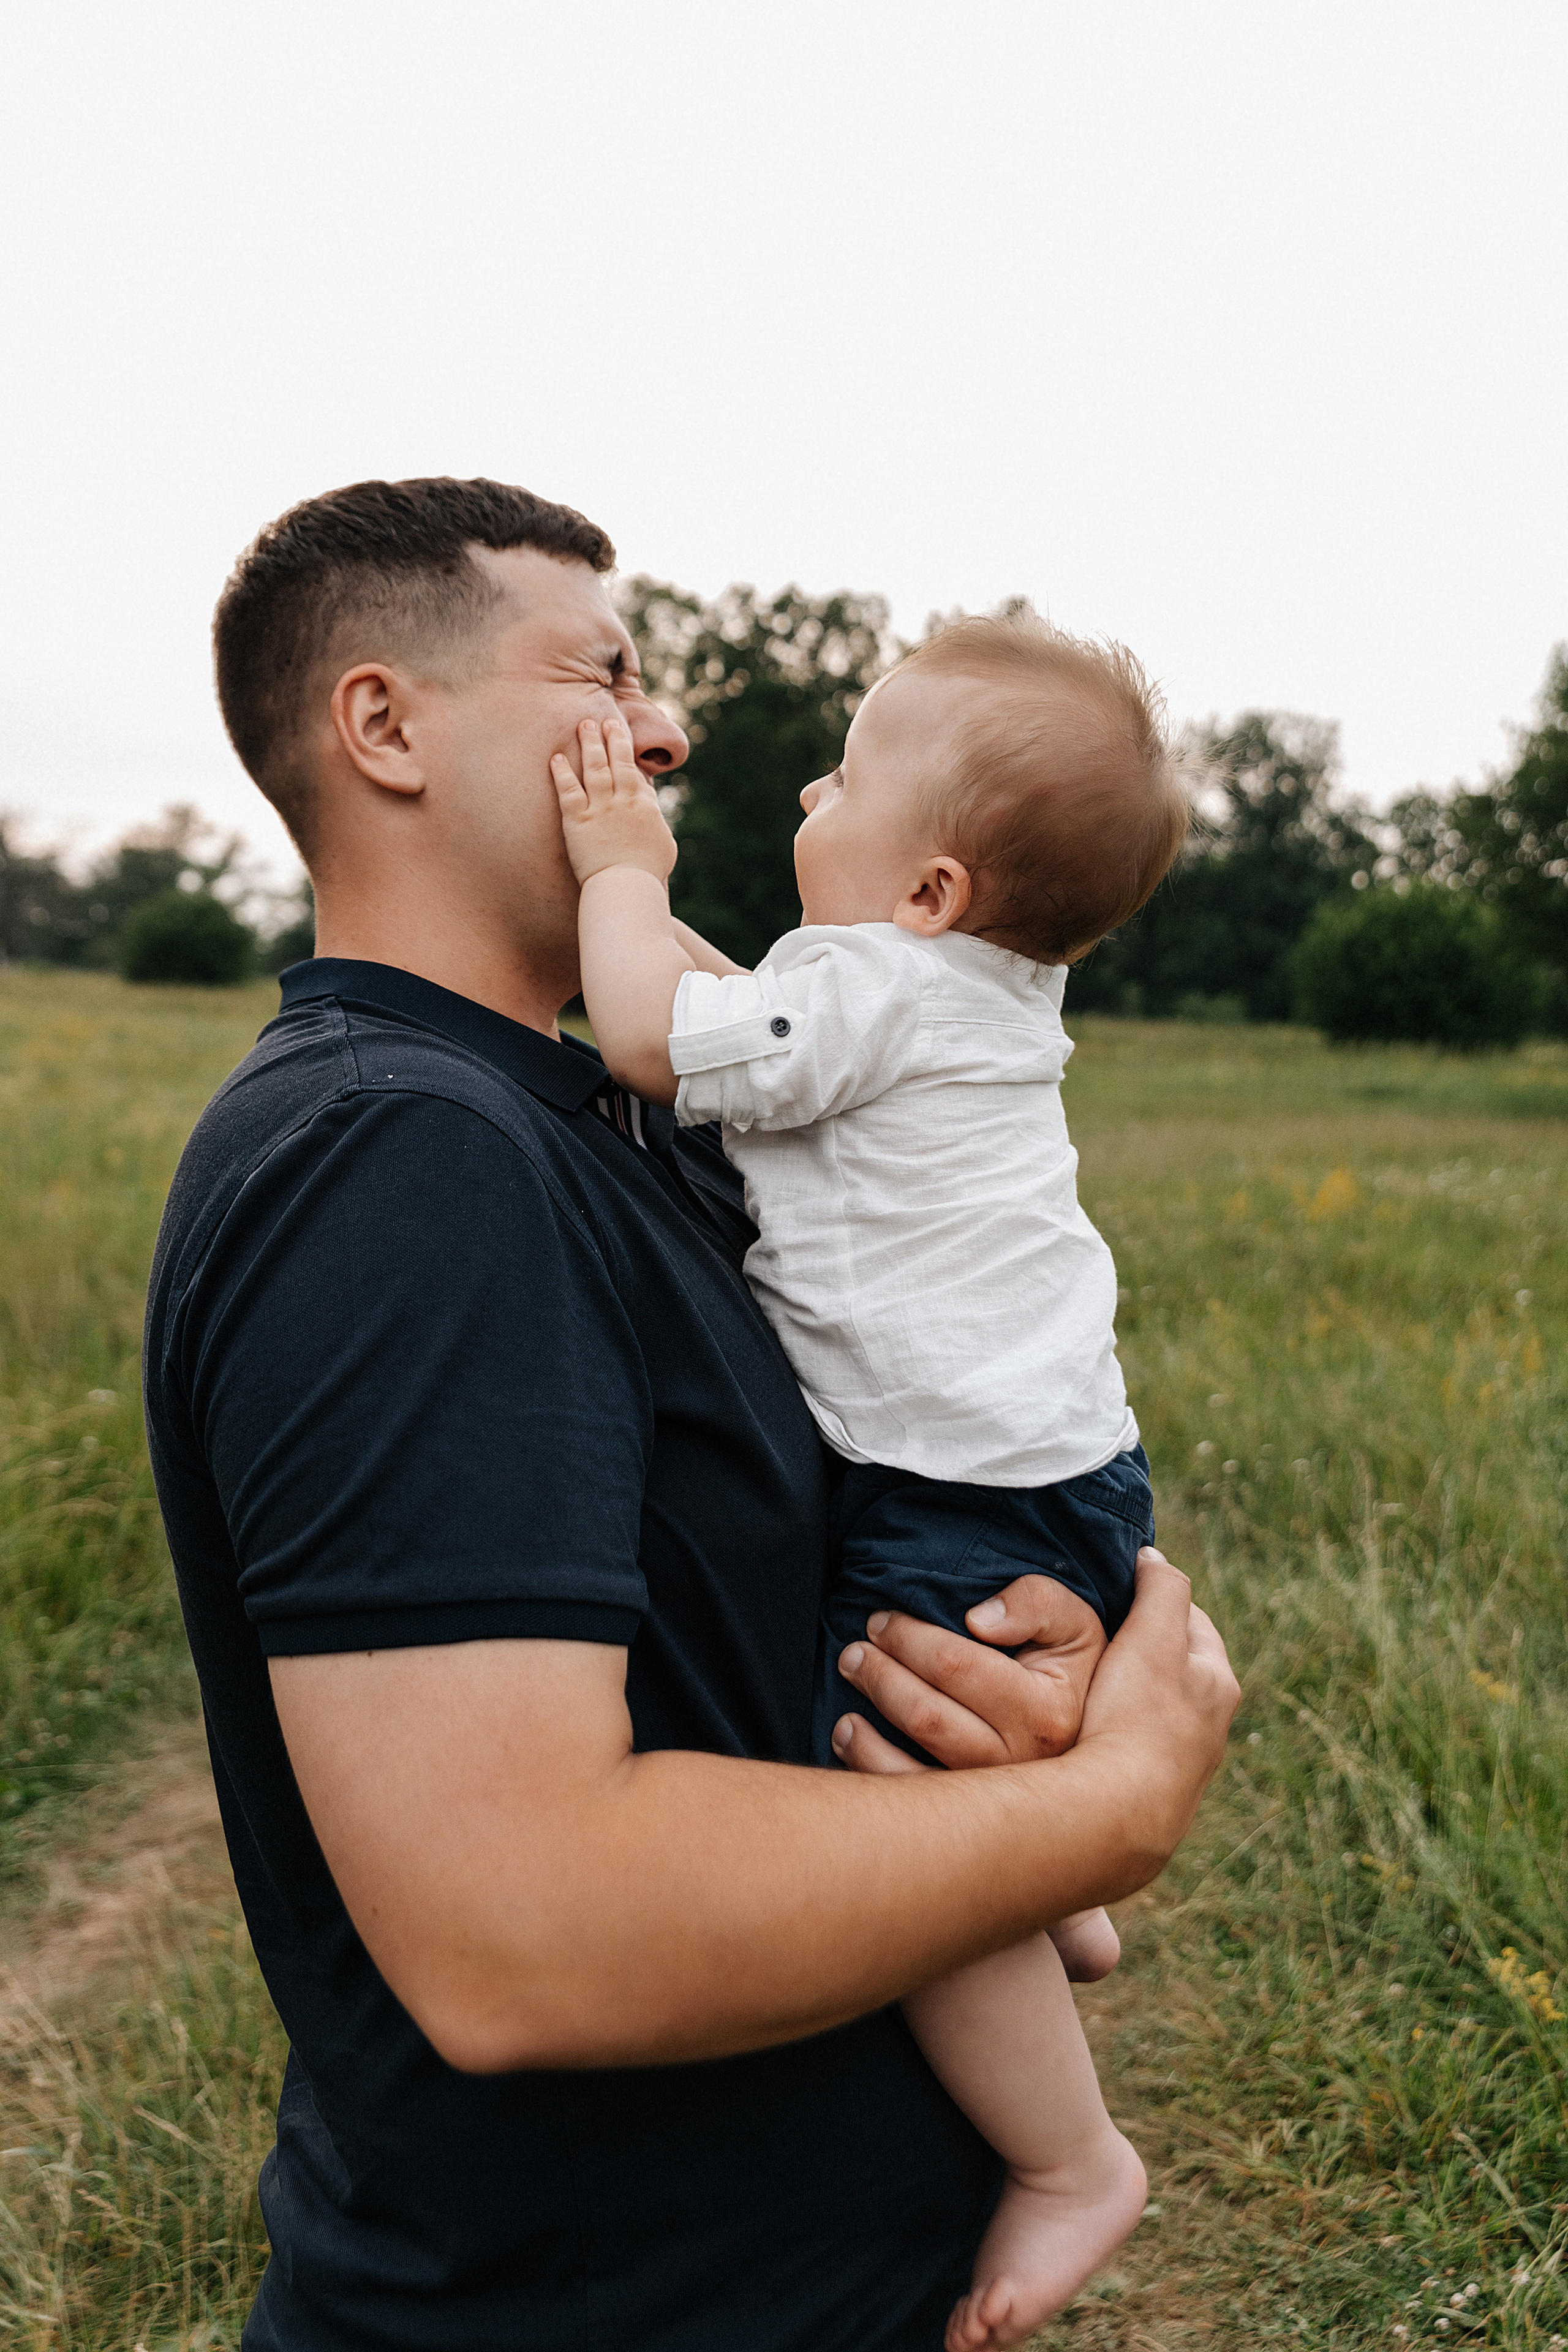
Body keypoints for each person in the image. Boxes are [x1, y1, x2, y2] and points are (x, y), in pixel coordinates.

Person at [143, 475, 1238, 2352]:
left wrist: (1022, 1714)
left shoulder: (597, 1126)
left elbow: (784, 1587)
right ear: (384, 726)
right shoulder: (398, 1159)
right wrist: (1110, 1808)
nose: (664, 733)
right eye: (606, 674)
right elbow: (524, 1935)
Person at [551, 608, 1189, 2352]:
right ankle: (1061, 1898)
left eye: (842, 776)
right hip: (1057, 1472)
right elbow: (721, 1009)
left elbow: (656, 1040)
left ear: (929, 889)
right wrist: (654, 934)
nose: (808, 793)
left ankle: (1071, 2157)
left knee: (900, 1827)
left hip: (955, 1491)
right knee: (961, 1757)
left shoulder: (872, 991)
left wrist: (615, 863)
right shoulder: (966, 988)